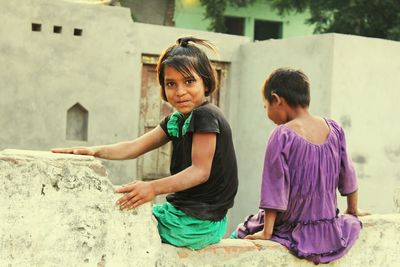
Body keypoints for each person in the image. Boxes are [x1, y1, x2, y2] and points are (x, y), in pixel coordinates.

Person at [52, 37, 238, 250]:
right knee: (115, 213)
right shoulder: (177, 120)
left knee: (116, 226)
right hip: (182, 214)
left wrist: (151, 188)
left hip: (199, 223)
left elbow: (200, 171)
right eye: (171, 84)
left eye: (189, 81)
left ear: (205, 82)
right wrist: (93, 151)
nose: (180, 91)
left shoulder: (206, 115)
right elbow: (133, 147)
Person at [231, 68, 369, 264]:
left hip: (292, 227)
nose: (266, 113)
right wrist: (353, 209)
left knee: (239, 232)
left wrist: (267, 231)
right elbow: (348, 173)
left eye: (265, 106)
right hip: (328, 229)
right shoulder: (335, 129)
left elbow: (274, 187)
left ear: (276, 99)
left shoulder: (282, 135)